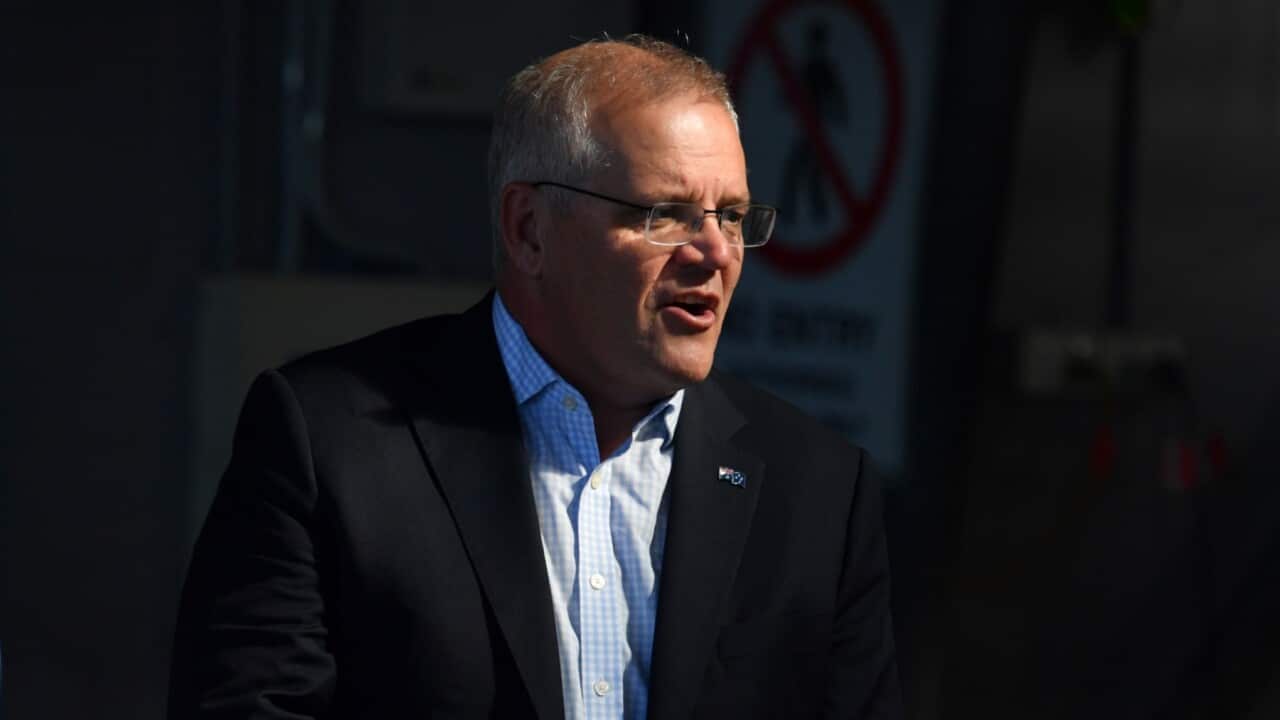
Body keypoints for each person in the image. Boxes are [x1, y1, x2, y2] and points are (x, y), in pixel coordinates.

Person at [168, 36, 901, 719]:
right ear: (528, 229)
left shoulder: (821, 492)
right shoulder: (328, 443)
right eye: (667, 214)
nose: (716, 252)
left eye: (733, 215)